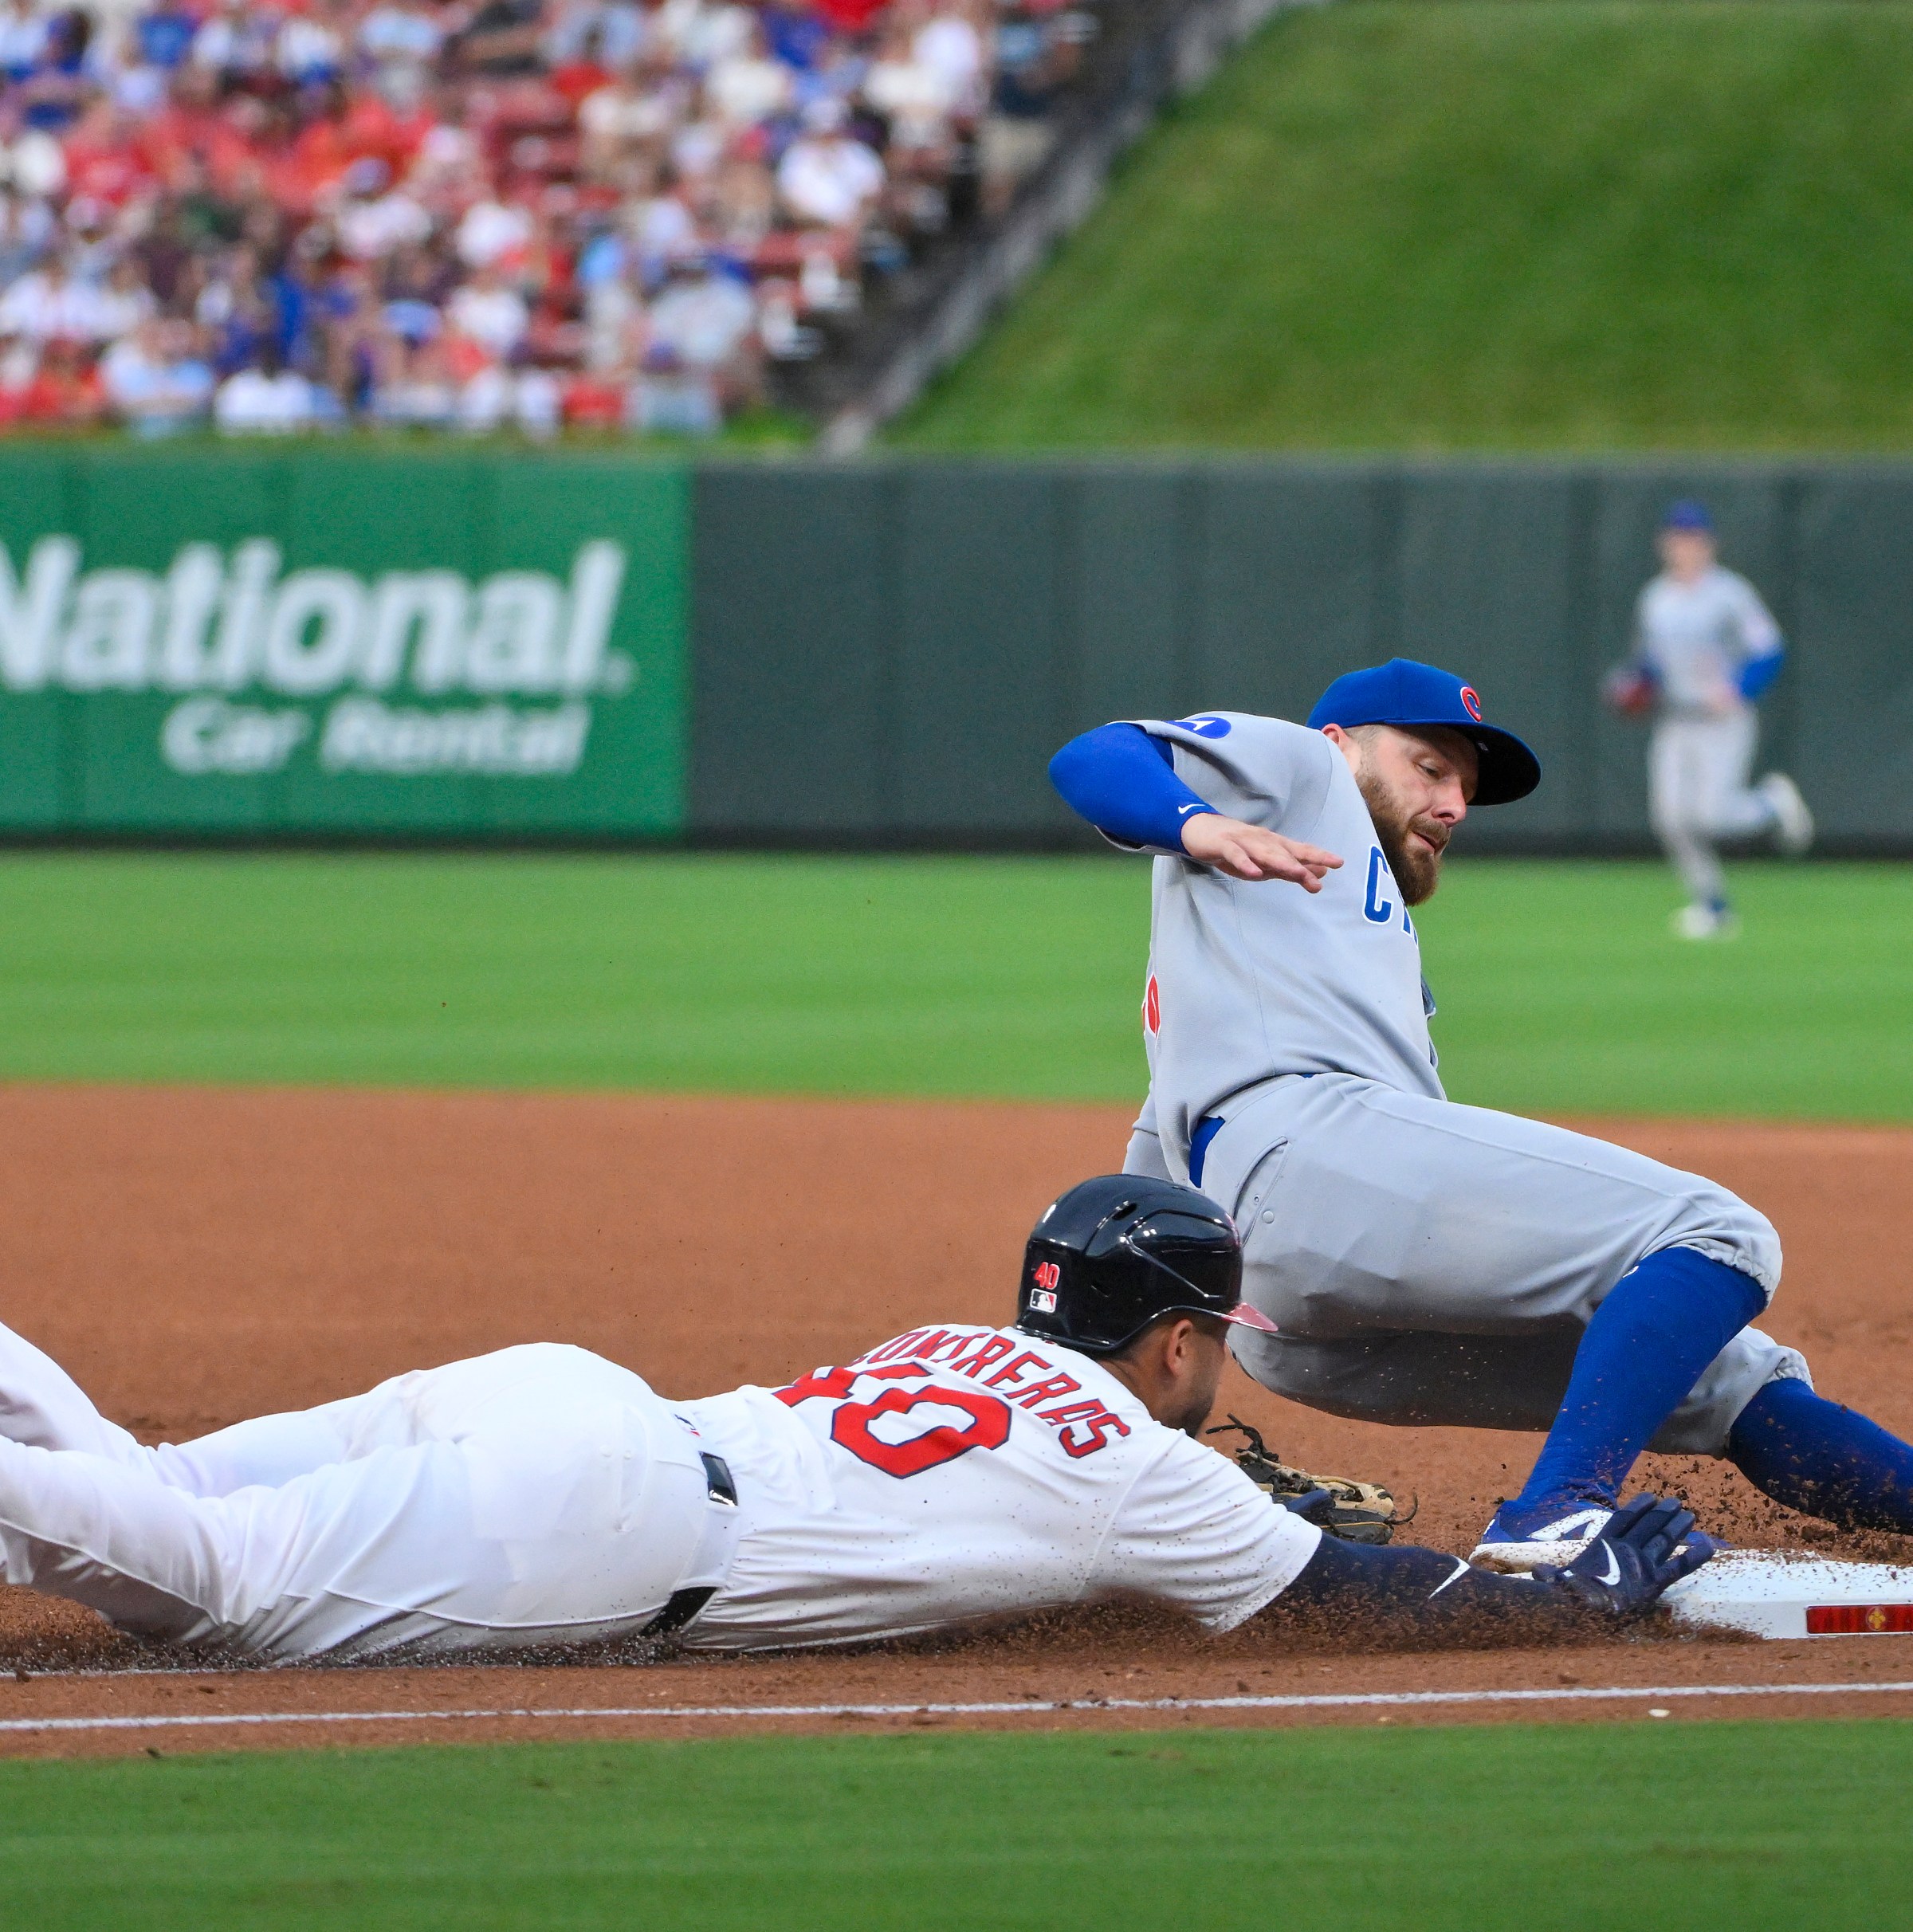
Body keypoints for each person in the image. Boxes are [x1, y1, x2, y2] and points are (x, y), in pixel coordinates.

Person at [0, 1177, 1705, 1662]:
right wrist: (1579, 1592)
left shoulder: (953, 1337)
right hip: (603, 1518)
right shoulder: (1141, 1479)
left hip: (558, 1402)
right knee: (203, 1575)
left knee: (148, 1483)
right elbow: (1374, 1605)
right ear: (1180, 1344)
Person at [1048, 662, 1913, 1569]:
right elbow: (1101, 753)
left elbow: (1159, 1155)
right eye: (1430, 766)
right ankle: (1554, 1518)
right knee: (1714, 1232)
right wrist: (1199, 821)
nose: (1455, 803)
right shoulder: (1305, 768)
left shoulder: (1304, 944)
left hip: (1298, 1325)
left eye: (1464, 786)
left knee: (1718, 1375)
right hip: (1308, 1171)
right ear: (1347, 745)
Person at [1605, 499, 1813, 940]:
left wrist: (1741, 687)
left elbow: (1769, 648)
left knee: (1711, 816)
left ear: (1709, 544)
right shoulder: (1655, 598)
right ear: (1665, 544)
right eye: (1678, 538)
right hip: (1676, 719)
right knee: (1669, 818)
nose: (1686, 546)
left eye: (1694, 538)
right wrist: (1632, 683)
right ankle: (1714, 906)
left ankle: (1772, 803)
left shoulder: (1729, 593)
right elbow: (1650, 663)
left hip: (1723, 720)